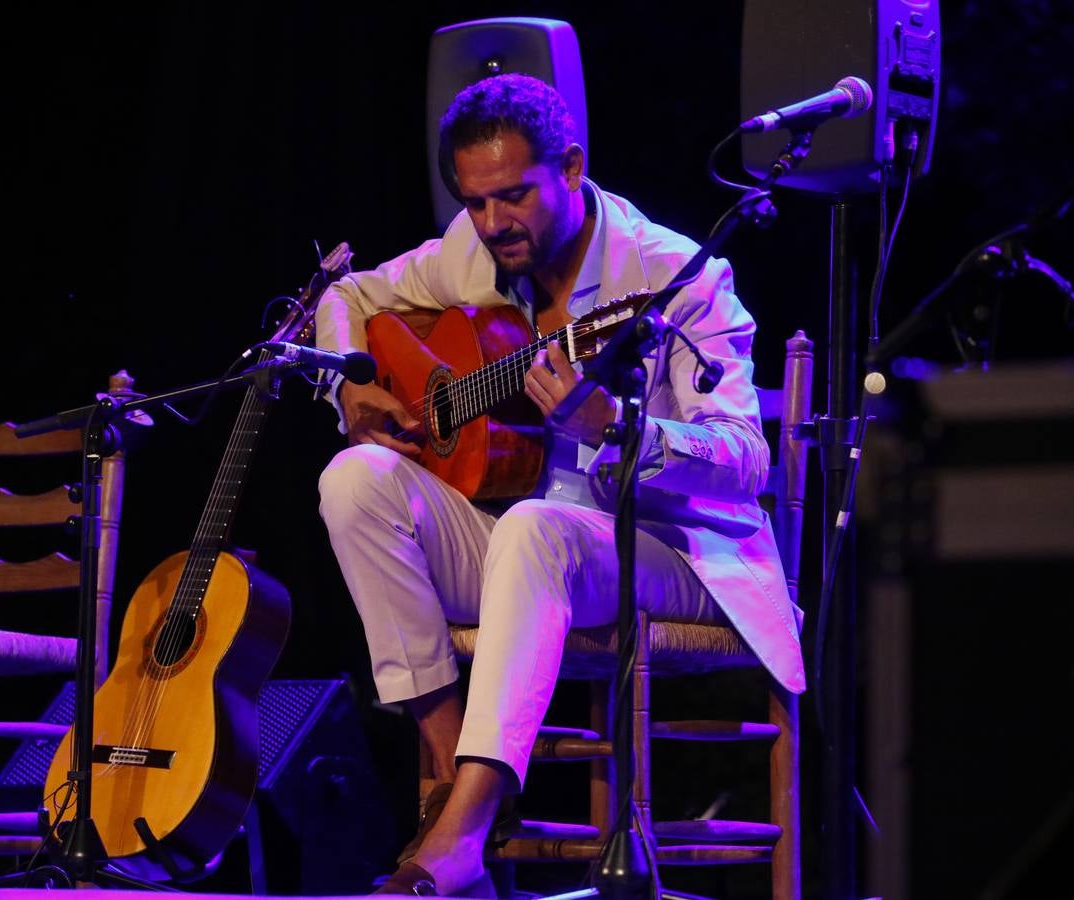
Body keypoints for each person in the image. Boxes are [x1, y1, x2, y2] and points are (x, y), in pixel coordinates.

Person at [314, 73, 804, 898]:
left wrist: (618, 429)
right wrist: (350, 385)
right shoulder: (475, 252)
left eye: (514, 197)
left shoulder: (673, 272)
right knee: (355, 479)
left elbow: (748, 458)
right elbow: (347, 293)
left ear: (572, 168)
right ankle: (444, 762)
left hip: (676, 553)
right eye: (474, 203)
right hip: (534, 555)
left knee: (535, 526)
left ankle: (466, 828)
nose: (494, 224)